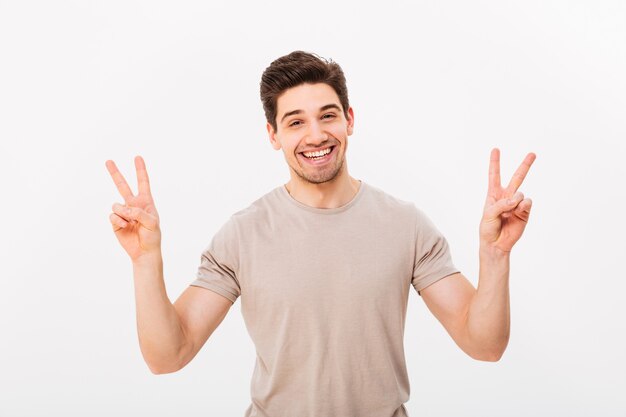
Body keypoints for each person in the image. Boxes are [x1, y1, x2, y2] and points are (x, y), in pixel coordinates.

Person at [105, 51, 536, 417]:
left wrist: (495, 256)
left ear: (349, 120)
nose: (315, 135)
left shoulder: (406, 225)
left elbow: (485, 345)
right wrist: (146, 262)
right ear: (273, 135)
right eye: (295, 122)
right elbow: (168, 356)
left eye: (327, 116)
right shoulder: (243, 234)